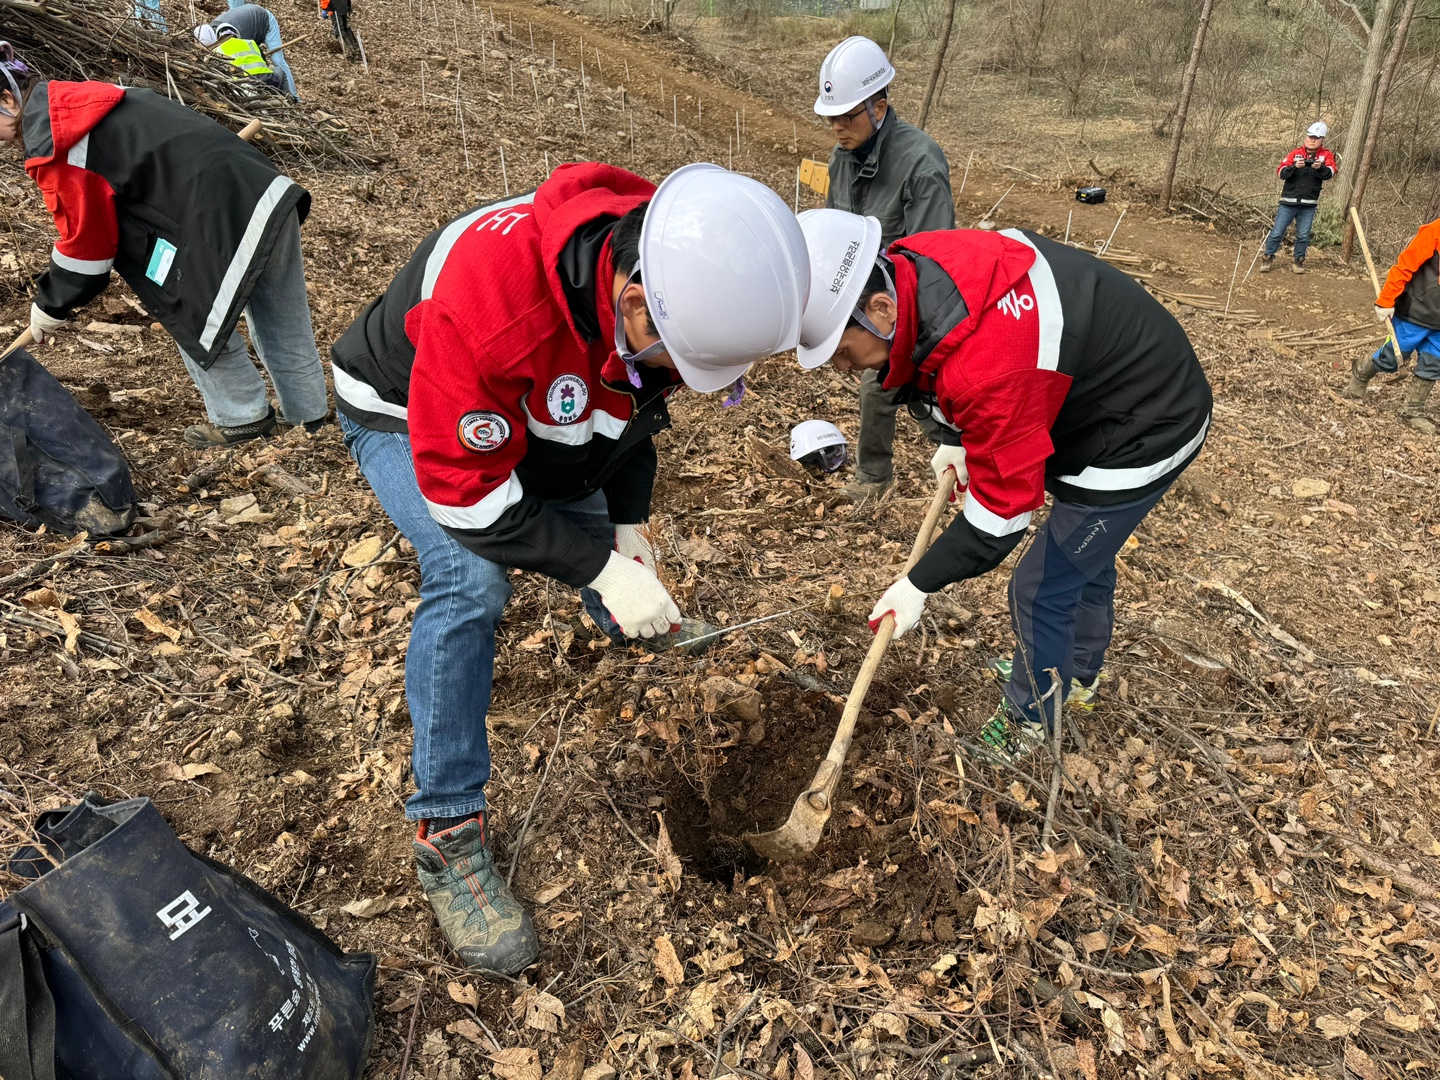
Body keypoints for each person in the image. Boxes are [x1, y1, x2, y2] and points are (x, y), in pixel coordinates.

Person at [329, 163, 808, 976]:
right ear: (632, 303)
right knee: (469, 579)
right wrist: (598, 562)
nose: (682, 379)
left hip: (526, 400)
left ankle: (616, 609)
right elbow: (469, 494)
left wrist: (627, 529)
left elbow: (628, 413)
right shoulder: (491, 310)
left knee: (593, 528)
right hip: (408, 407)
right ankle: (447, 832)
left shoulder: (674, 261)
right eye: (680, 361)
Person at [796, 209, 1212, 764]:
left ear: (879, 308)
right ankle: (1073, 670)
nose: (843, 368)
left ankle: (1034, 718)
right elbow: (953, 361)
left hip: (1146, 425)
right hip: (1089, 397)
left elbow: (1001, 518)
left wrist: (919, 584)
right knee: (1081, 557)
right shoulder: (917, 263)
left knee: (1041, 585)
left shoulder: (990, 369)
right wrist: (962, 433)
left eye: (841, 350)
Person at [0, 43, 328, 448]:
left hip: (214, 217)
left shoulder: (61, 143)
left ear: (6, 98)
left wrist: (49, 307)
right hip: (265, 193)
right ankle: (310, 420)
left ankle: (243, 420)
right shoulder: (83, 101)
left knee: (191, 312)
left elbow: (87, 246)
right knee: (283, 317)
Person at [814, 35, 954, 501]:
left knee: (905, 385)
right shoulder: (842, 158)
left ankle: (957, 461)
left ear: (880, 105)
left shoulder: (920, 161)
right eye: (830, 117)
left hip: (911, 299)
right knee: (877, 383)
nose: (836, 127)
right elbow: (838, 232)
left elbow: (935, 255)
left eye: (846, 116)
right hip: (863, 295)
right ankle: (877, 476)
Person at [1343, 217, 1440, 434]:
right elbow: (1404, 266)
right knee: (1393, 357)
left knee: (1435, 362)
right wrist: (1386, 300)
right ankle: (1361, 373)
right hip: (1414, 311)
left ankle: (1412, 410)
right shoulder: (1435, 231)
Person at [1260, 121, 1336, 275]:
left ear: (1322, 139)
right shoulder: (1295, 153)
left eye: (1316, 138)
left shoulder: (1326, 155)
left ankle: (1298, 261)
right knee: (1277, 232)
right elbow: (1280, 172)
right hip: (1288, 201)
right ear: (1306, 137)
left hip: (1309, 204)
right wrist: (1295, 167)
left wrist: (1319, 167)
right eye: (1310, 137)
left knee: (1303, 235)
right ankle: (1267, 258)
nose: (1312, 140)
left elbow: (1331, 172)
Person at [211, 3, 298, 99]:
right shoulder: (220, 34)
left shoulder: (241, 39)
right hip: (260, 79)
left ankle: (294, 98)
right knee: (274, 72)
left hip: (266, 20)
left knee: (278, 60)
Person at [194, 24, 288, 96]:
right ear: (236, 34)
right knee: (278, 70)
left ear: (219, 37)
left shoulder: (217, 50)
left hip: (242, 86)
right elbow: (265, 63)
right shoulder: (251, 42)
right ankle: (286, 97)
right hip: (267, 81)